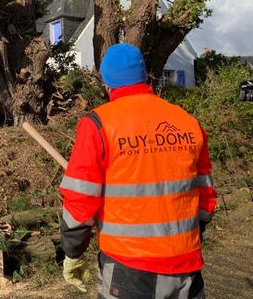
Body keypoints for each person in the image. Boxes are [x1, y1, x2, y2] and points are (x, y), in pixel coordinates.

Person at [59, 43, 217, 298]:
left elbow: (80, 200)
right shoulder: (187, 122)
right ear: (144, 77)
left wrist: (73, 252)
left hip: (128, 266)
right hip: (186, 265)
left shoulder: (98, 124)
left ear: (106, 82)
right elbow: (206, 197)